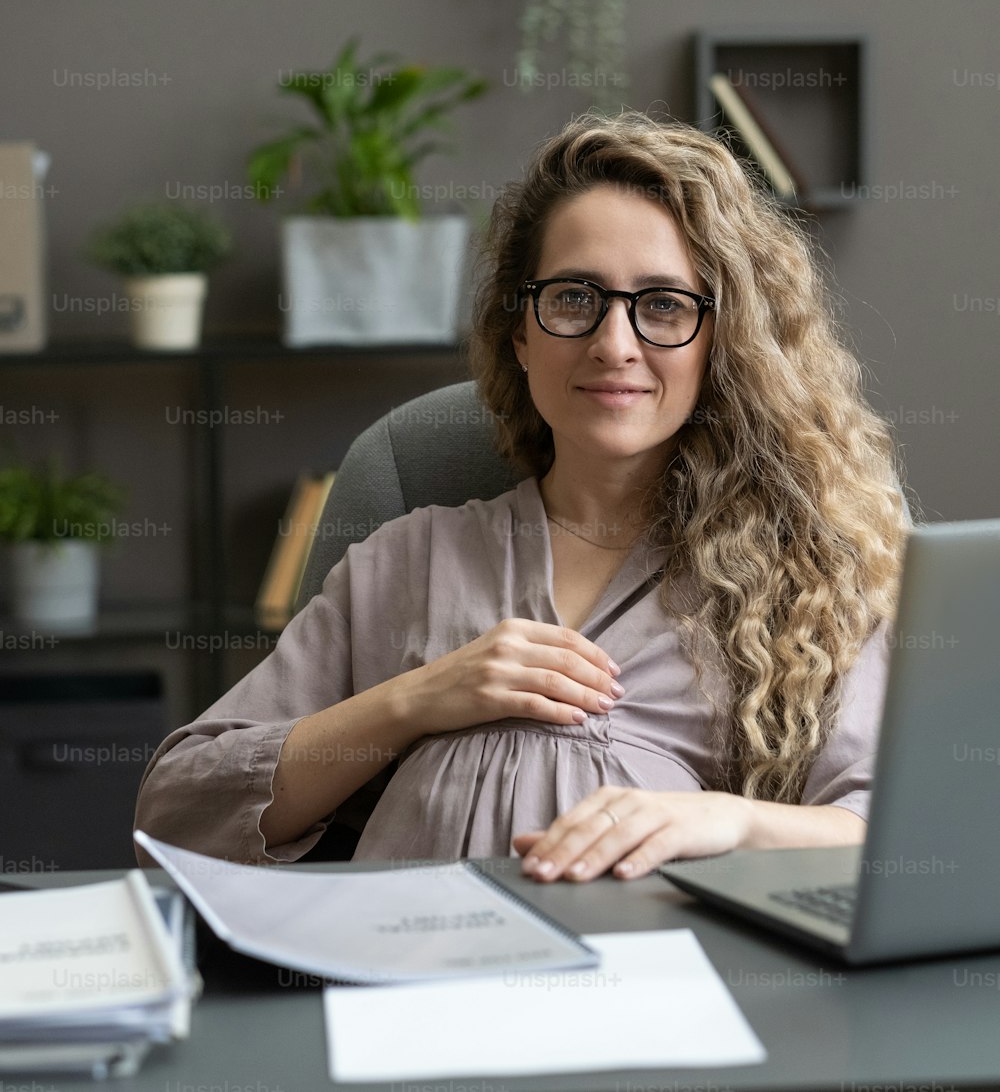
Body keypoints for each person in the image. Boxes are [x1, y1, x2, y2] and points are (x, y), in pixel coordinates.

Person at [134, 110, 909, 883]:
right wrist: (415, 700)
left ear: (722, 341)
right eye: (575, 297)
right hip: (402, 979)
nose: (615, 344)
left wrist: (724, 817)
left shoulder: (811, 578)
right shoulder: (411, 558)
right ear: (521, 333)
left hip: (658, 985)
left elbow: (899, 828)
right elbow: (178, 809)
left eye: (665, 305)